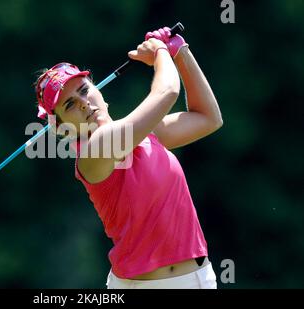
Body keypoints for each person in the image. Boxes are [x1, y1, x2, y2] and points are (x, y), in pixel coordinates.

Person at [34, 26, 223, 289]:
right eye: (69, 105)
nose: (84, 104)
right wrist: (159, 51)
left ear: (98, 88)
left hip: (199, 278)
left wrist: (180, 51)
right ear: (60, 126)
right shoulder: (94, 150)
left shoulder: (144, 134)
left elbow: (208, 118)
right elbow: (167, 92)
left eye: (84, 90)